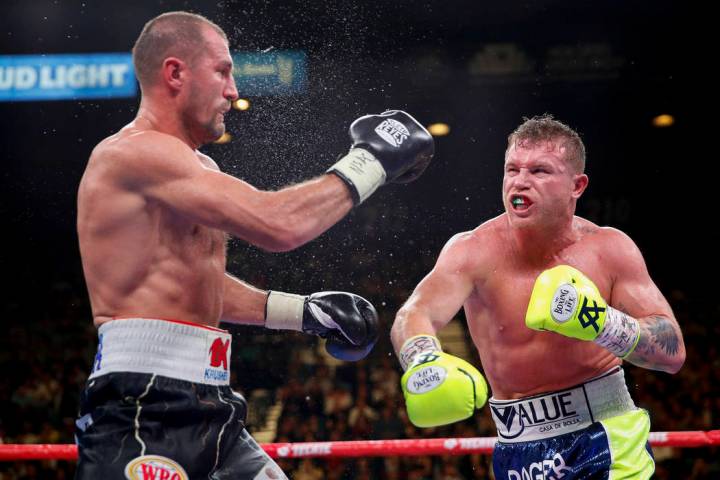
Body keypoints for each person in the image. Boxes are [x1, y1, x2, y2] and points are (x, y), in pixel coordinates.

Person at [75, 11, 434, 479]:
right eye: (223, 71)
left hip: (210, 400)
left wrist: (302, 312)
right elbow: (277, 224)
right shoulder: (132, 153)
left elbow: (194, 279)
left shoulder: (196, 167)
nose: (234, 90)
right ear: (175, 72)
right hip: (143, 403)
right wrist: (371, 161)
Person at [391, 114, 685, 479]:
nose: (520, 181)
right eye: (512, 169)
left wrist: (601, 323)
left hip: (609, 437)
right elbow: (416, 312)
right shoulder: (471, 251)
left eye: (539, 171)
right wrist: (422, 358)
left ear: (577, 186)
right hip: (516, 449)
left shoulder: (609, 249)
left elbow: (671, 352)